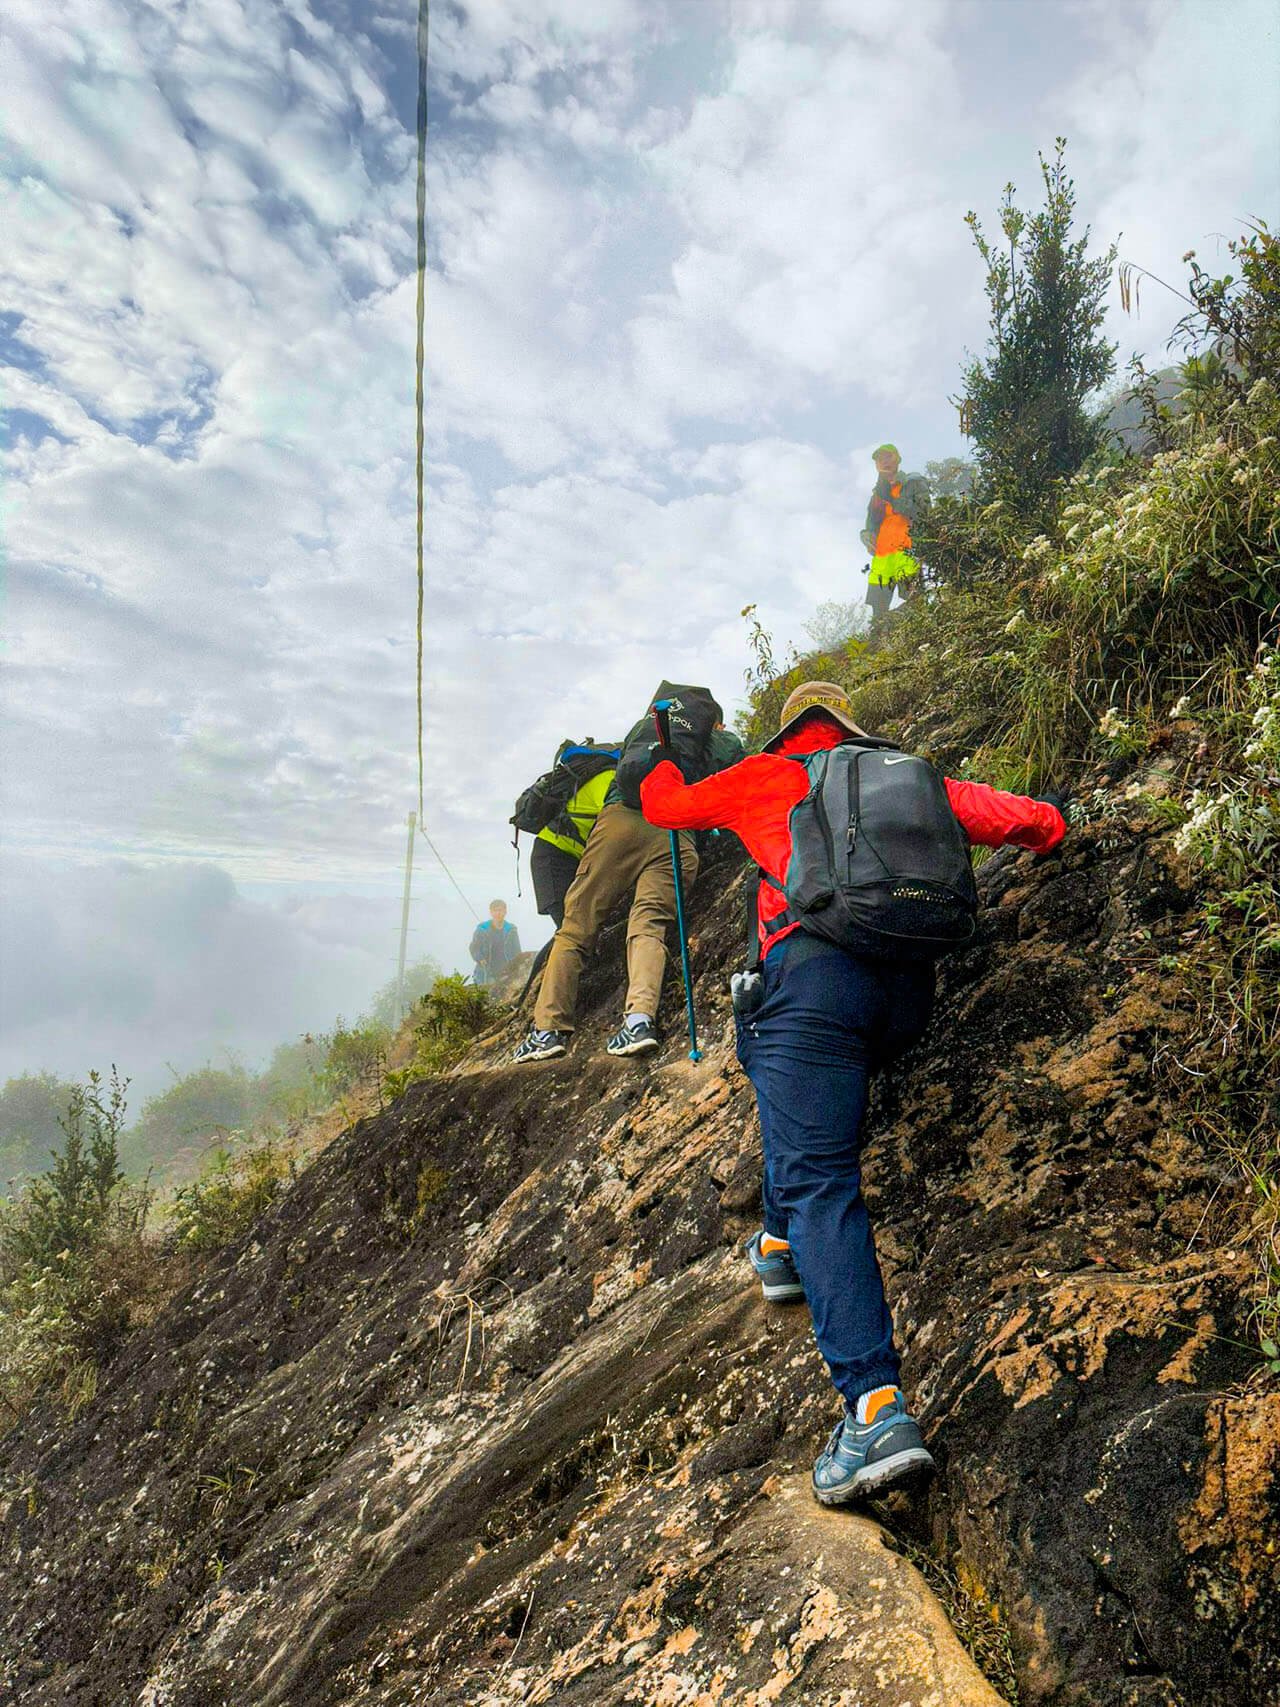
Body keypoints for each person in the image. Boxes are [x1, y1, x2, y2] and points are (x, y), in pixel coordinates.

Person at [640, 680, 1066, 1505]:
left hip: (816, 993)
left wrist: (660, 750)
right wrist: (1059, 820)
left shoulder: (770, 775)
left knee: (815, 1165)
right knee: (809, 1128)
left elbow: (667, 807)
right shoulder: (906, 777)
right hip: (907, 996)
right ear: (852, 730)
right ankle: (776, 1249)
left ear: (792, 728)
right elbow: (1016, 817)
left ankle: (874, 1410)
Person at [514, 695, 744, 1064]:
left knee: (577, 925)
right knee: (650, 924)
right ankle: (639, 1022)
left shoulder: (645, 730)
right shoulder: (722, 742)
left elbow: (625, 776)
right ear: (713, 722)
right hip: (676, 832)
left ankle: (547, 1032)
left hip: (620, 820)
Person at [860, 443, 929, 624]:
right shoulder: (877, 494)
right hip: (882, 557)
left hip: (907, 550)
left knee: (916, 602)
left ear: (898, 458)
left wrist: (892, 499)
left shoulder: (913, 481)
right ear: (876, 465)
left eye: (888, 456)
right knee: (878, 613)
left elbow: (924, 513)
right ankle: (879, 643)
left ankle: (918, 639)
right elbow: (871, 524)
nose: (884, 461)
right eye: (879, 459)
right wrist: (866, 536)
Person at [469, 899, 522, 987]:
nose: (498, 913)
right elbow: (474, 948)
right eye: (495, 910)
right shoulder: (482, 930)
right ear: (491, 912)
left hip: (506, 971)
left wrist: (517, 967)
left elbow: (517, 950)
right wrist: (480, 959)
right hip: (486, 972)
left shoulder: (511, 930)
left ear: (505, 912)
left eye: (500, 910)